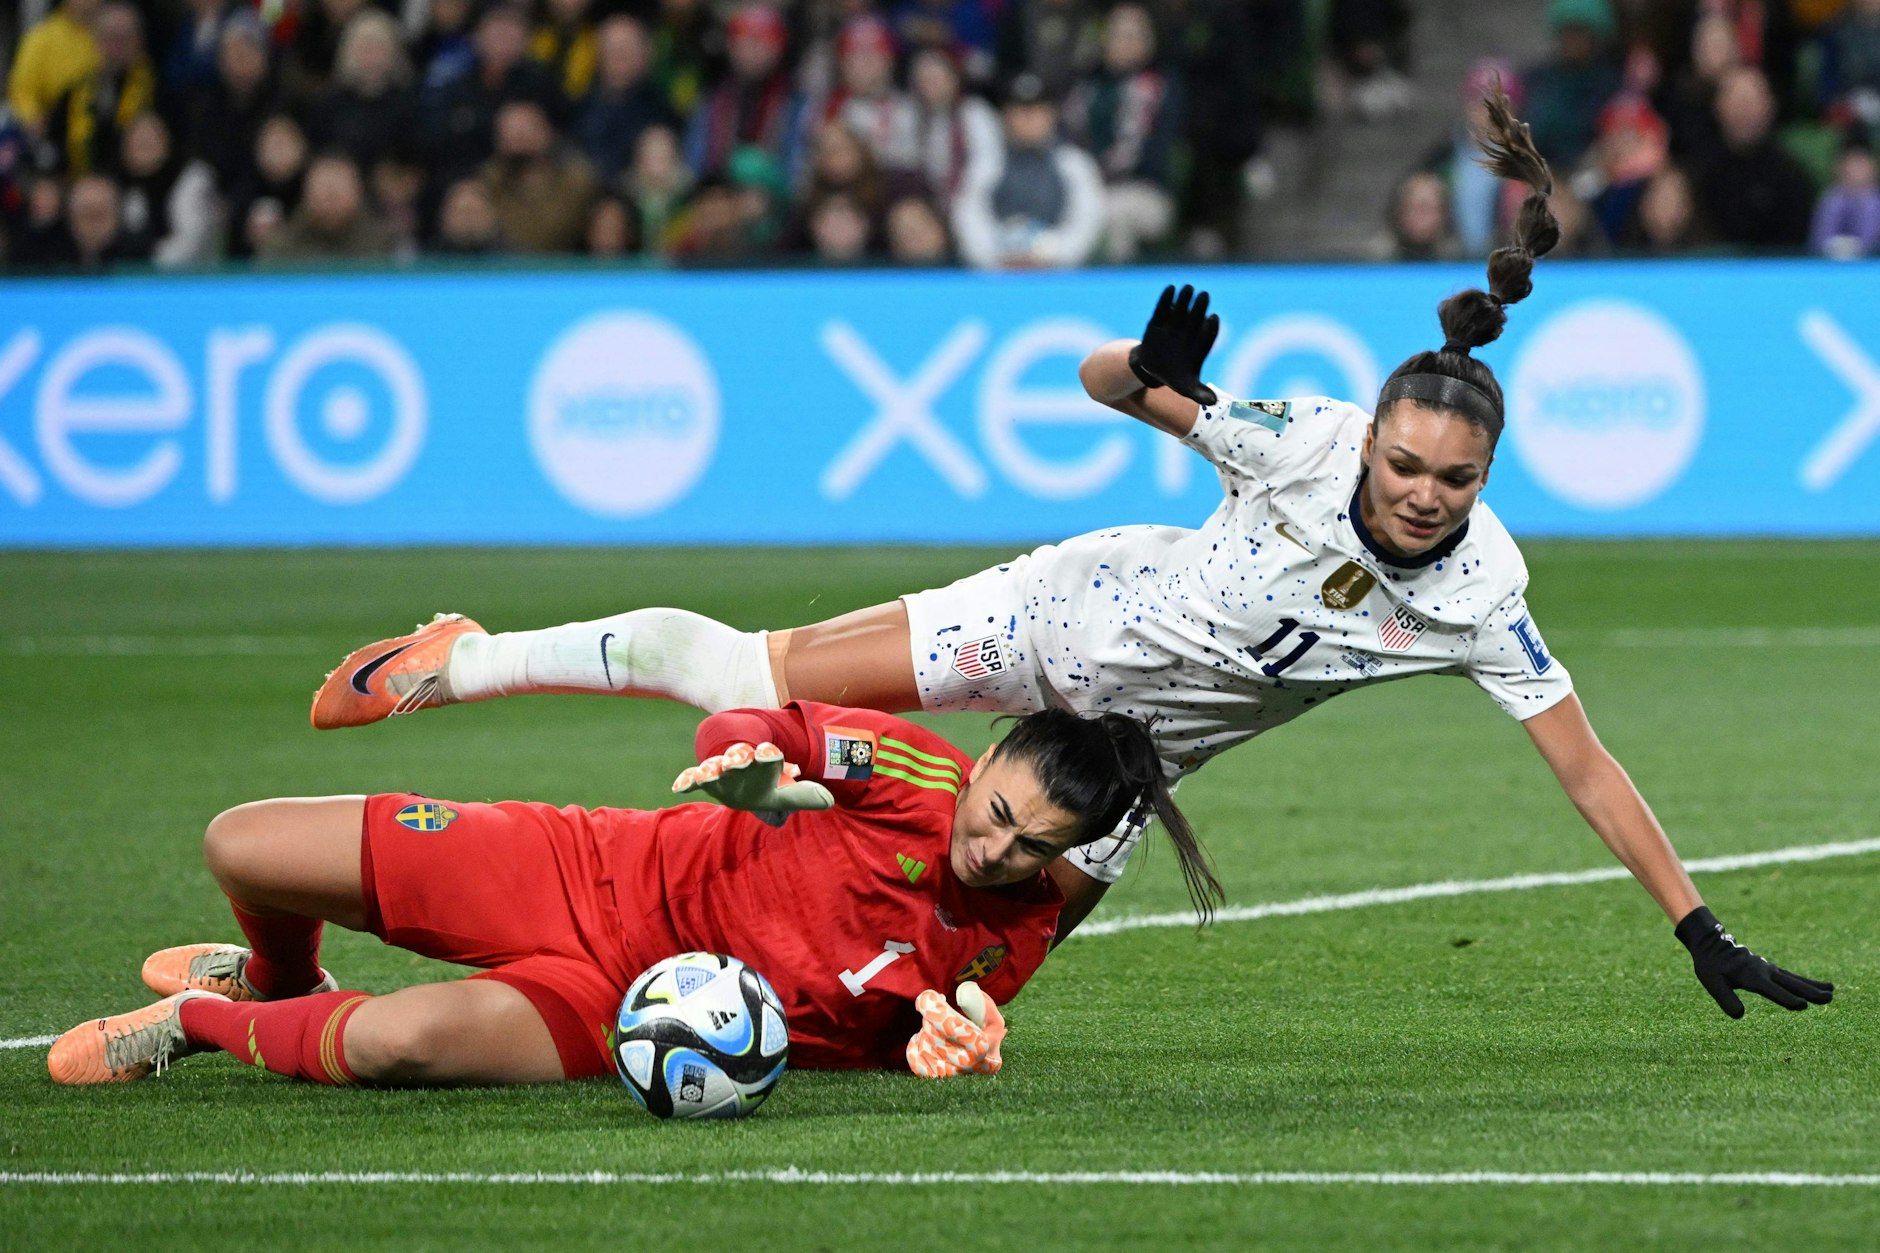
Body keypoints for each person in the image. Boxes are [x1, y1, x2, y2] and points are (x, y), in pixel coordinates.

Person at [311, 87, 1832, 1022]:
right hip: (1061, 612)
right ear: (1370, 441)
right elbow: (1105, 385)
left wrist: (1695, 924)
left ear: (1486, 481)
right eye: (1406, 464)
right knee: (750, 678)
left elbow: (1585, 767)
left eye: (1454, 479)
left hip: (1133, 754)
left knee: (983, 946)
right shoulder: (1301, 443)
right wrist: (1142, 368)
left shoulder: (1485, 593)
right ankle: (468, 660)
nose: (1424, 495)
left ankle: (854, 1001)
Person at [48, 703, 1210, 1087]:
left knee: (396, 1044)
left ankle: (197, 1020)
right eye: (994, 808)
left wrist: (933, 1043)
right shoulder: (906, 767)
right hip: (584, 866)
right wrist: (747, 764)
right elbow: (755, 718)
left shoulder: (1018, 933)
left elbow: (897, 1020)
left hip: (622, 1008)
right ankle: (276, 977)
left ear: (1066, 854)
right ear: (987, 755)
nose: (992, 847)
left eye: (1029, 846)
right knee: (244, 843)